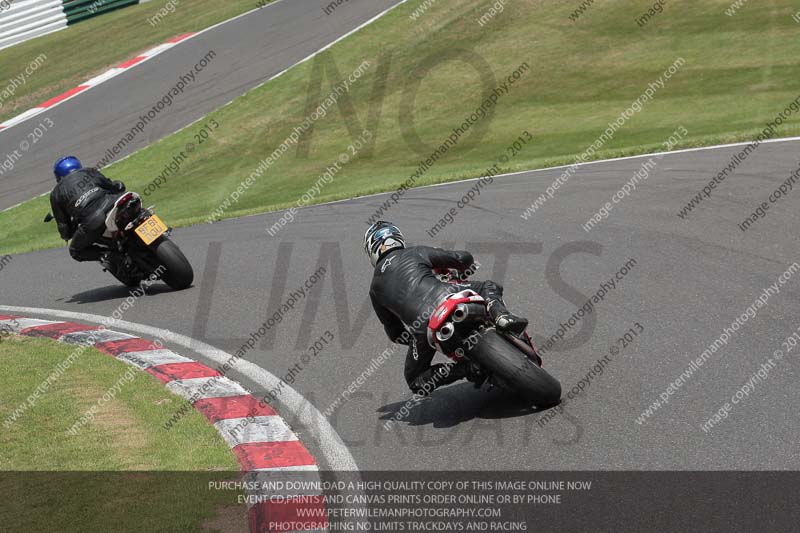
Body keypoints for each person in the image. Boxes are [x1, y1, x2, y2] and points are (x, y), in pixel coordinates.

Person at [365, 221, 529, 395]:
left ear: (371, 250)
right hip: (446, 295)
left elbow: (395, 333)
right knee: (488, 286)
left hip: (423, 329)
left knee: (415, 380)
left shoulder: (374, 289)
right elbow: (461, 258)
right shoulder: (414, 252)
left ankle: (467, 368)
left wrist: (417, 341)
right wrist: (465, 265)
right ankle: (501, 316)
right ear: (398, 238)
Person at [49, 156, 126, 263]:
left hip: (94, 219)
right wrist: (118, 187)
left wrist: (66, 235)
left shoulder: (56, 193)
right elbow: (112, 186)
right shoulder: (90, 171)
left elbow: (63, 226)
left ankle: (114, 256)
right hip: (115, 203)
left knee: (75, 251)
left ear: (58, 175)